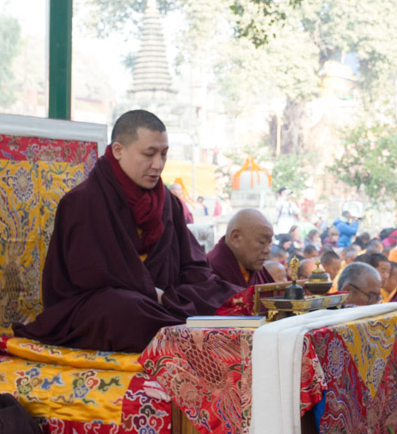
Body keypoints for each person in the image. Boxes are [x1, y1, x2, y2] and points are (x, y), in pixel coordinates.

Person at [13, 110, 240, 352]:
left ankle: (181, 327)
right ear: (119, 150)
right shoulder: (83, 201)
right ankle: (188, 332)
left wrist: (175, 296)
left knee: (224, 292)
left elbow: (194, 267)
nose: (158, 165)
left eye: (164, 154)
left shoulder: (167, 203)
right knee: (125, 310)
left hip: (163, 300)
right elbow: (90, 276)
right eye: (149, 154)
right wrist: (156, 296)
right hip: (100, 305)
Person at [207, 208, 275, 289]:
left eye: (269, 243)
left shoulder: (255, 269)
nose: (267, 250)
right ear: (236, 238)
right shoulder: (209, 272)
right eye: (262, 242)